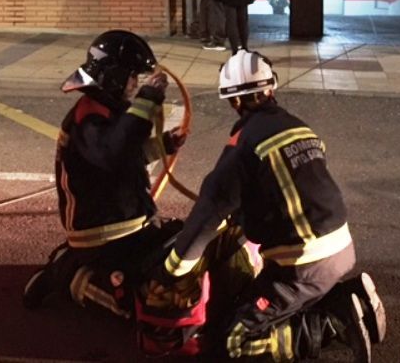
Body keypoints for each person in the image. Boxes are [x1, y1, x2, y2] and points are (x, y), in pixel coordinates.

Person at [148, 50, 386, 362]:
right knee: (268, 306)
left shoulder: (245, 145)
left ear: (234, 100)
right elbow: (284, 191)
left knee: (231, 342)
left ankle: (331, 323)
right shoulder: (300, 129)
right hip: (341, 249)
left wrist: (171, 271)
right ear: (270, 88)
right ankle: (349, 299)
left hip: (302, 265)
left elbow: (208, 214)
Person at [22, 30, 187, 317]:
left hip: (129, 222)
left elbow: (127, 155)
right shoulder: (88, 116)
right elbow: (114, 152)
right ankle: (67, 274)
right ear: (113, 76)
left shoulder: (109, 109)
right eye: (132, 75)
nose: (135, 83)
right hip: (101, 234)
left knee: (177, 242)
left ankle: (81, 263)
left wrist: (165, 144)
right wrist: (148, 99)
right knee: (136, 302)